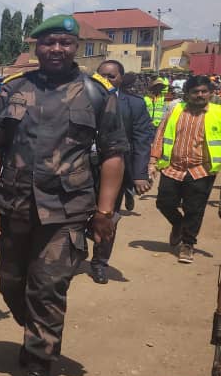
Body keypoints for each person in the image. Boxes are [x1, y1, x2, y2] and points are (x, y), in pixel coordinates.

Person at [0, 15, 128, 376]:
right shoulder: (13, 90)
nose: (57, 49)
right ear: (36, 46)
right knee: (10, 282)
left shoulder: (97, 94)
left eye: (65, 42)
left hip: (66, 211)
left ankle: (38, 374)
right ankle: (39, 336)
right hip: (15, 206)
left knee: (46, 290)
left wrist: (104, 212)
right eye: (49, 43)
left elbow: (114, 154)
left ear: (76, 46)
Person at [89, 60, 154, 282]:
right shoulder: (83, 98)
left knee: (109, 217)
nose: (106, 80)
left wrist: (139, 174)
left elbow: (142, 140)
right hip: (84, 170)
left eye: (112, 76)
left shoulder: (134, 105)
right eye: (102, 75)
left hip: (116, 171)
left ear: (120, 78)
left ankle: (100, 262)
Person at [149, 75, 220, 264]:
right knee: (164, 202)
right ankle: (178, 224)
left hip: (202, 170)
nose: (200, 95)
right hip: (173, 167)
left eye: (204, 91)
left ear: (211, 93)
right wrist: (152, 161)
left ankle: (188, 244)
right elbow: (160, 134)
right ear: (187, 94)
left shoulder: (218, 113)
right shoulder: (175, 110)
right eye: (195, 92)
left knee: (194, 209)